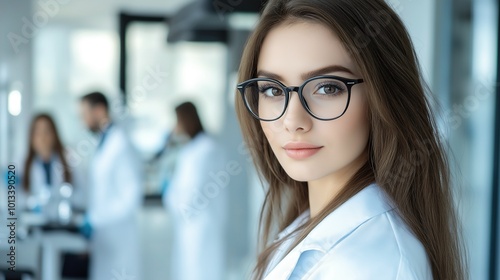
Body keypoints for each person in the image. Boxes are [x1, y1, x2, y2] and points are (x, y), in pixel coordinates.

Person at [235, 0, 466, 279]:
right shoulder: (314, 226)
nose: (292, 121)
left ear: (384, 97)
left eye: (327, 87)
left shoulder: (370, 265)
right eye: (272, 90)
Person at [79, 92, 142, 280]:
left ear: (99, 111)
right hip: (105, 240)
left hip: (119, 239)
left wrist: (96, 218)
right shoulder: (104, 142)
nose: (83, 122)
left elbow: (131, 199)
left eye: (84, 115)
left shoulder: (120, 144)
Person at [163, 101, 227, 280]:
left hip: (201, 226)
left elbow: (192, 193)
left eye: (177, 121)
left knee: (200, 271)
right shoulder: (191, 149)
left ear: (186, 120)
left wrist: (171, 196)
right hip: (191, 225)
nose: (174, 127)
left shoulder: (206, 149)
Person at [22, 113, 73, 213]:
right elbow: (15, 199)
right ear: (31, 137)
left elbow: (82, 194)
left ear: (55, 134)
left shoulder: (68, 159)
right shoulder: (22, 164)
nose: (42, 137)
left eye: (47, 132)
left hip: (63, 223)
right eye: (38, 133)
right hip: (33, 222)